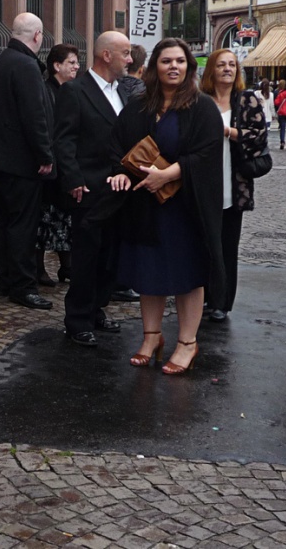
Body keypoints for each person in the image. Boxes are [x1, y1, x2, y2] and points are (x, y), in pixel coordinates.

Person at [107, 38, 224, 374]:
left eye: (180, 61)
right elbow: (117, 146)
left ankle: (187, 342)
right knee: (149, 270)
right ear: (154, 66)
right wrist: (120, 174)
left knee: (189, 273)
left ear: (189, 67)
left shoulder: (201, 108)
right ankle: (151, 337)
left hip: (186, 207)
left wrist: (169, 174)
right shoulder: (139, 105)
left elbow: (207, 152)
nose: (174, 67)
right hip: (145, 205)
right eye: (166, 61)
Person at [54, 31, 144, 346]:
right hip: (89, 190)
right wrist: (73, 179)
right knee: (86, 258)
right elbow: (64, 140)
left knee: (111, 257)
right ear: (106, 55)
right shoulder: (75, 91)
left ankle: (96, 309)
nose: (130, 60)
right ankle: (77, 319)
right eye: (125, 53)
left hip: (122, 189)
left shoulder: (124, 93)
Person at [0, 12, 55, 312]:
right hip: (21, 161)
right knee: (22, 225)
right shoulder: (25, 65)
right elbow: (33, 115)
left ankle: (6, 279)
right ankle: (23, 285)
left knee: (6, 222)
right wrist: (45, 155)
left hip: (0, 160)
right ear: (37, 37)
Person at [200, 49, 268, 322]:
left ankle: (222, 302)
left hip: (234, 180)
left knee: (227, 245)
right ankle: (203, 296)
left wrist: (228, 132)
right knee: (205, 243)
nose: (227, 69)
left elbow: (259, 136)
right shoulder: (201, 100)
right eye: (221, 65)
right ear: (211, 71)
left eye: (232, 65)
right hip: (205, 181)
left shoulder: (247, 99)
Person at [36, 44, 81, 287]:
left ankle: (67, 265)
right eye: (72, 62)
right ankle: (38, 267)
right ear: (57, 66)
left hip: (67, 166)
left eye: (76, 62)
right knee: (45, 219)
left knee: (66, 219)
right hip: (50, 167)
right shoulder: (46, 91)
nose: (76, 67)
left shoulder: (73, 90)